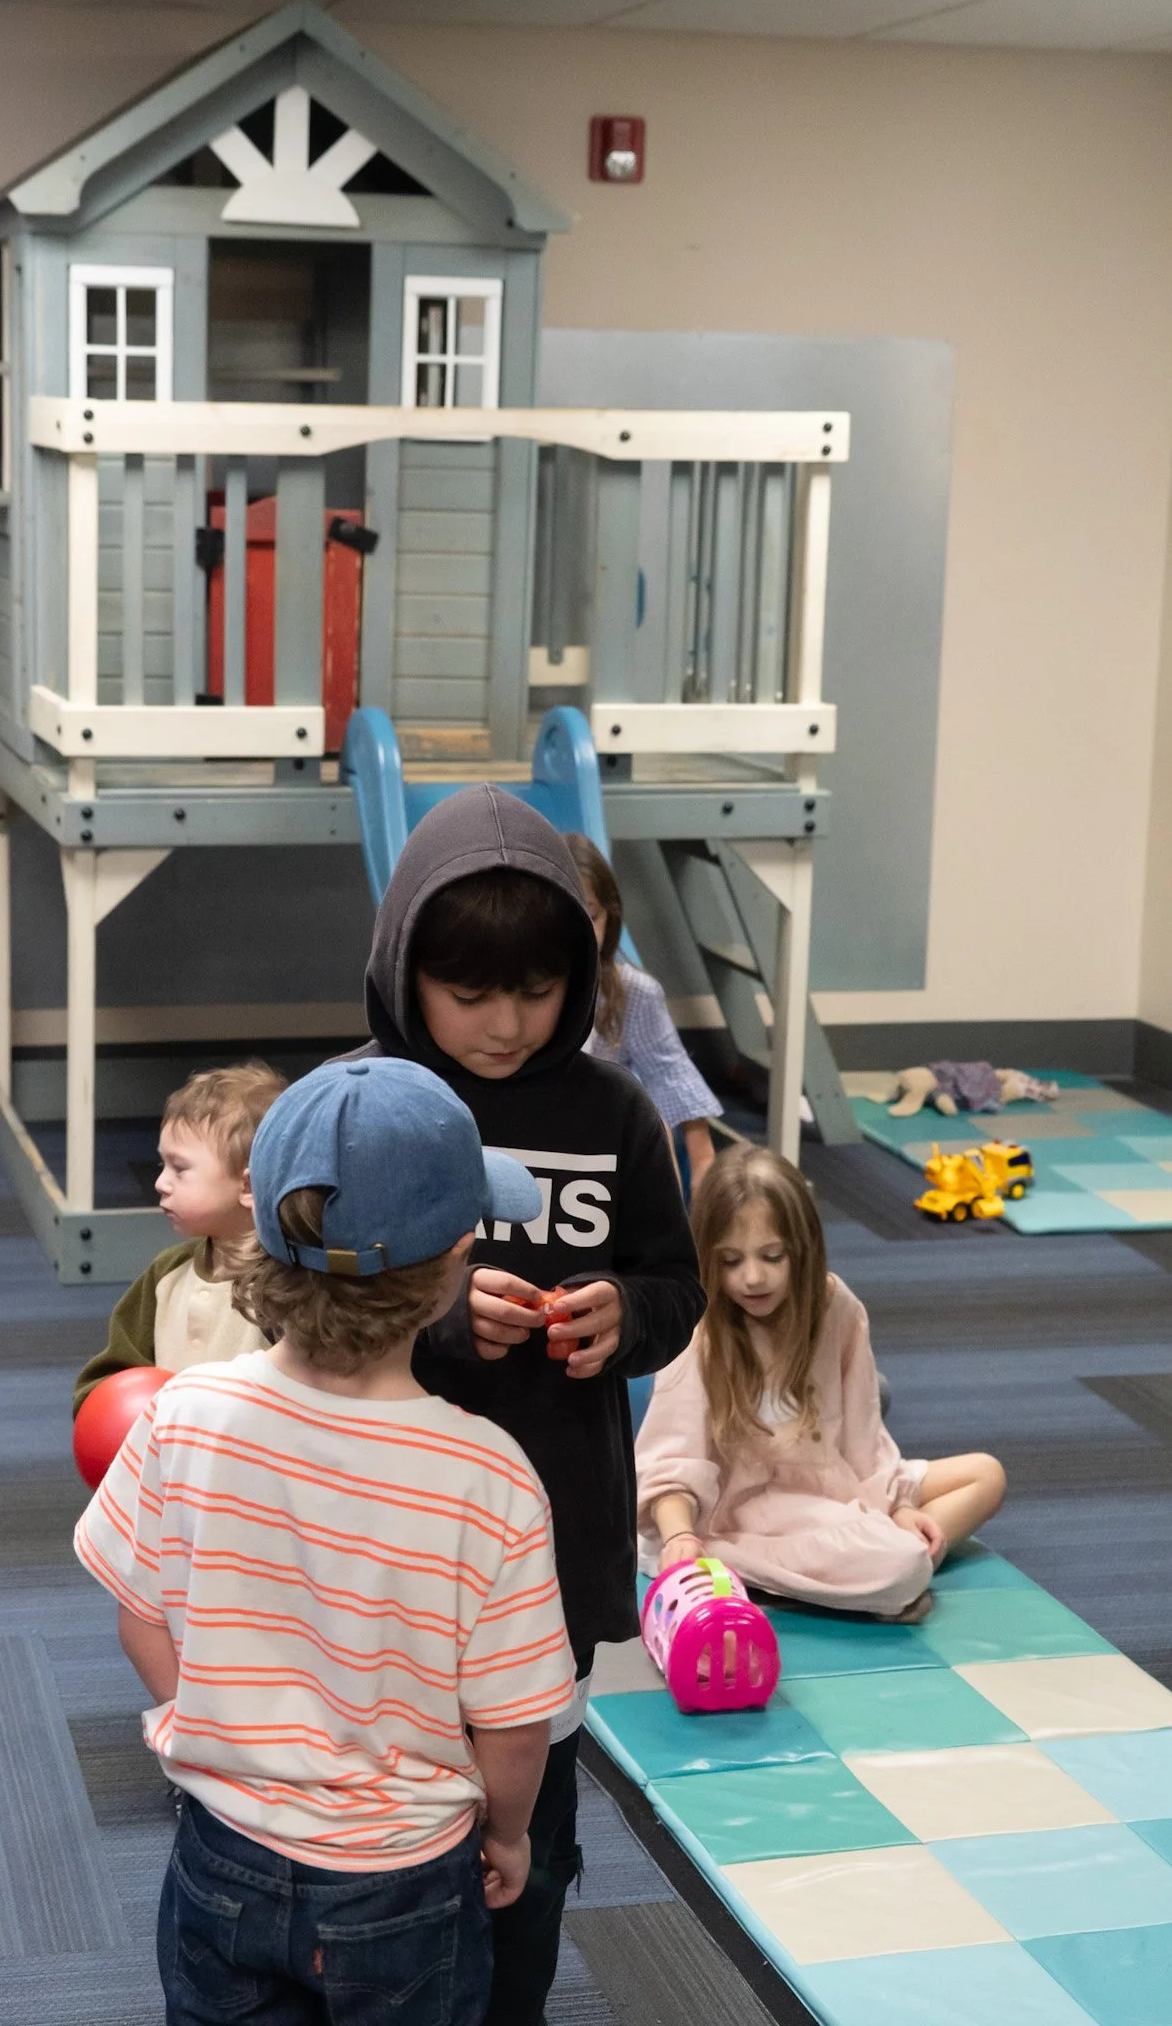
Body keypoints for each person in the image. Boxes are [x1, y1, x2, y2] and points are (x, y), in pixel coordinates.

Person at [74, 1055, 576, 2026]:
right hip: (405, 1879)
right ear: (453, 1260)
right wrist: (508, 1833)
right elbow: (514, 1722)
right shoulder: (491, 1473)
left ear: (258, 1223)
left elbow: (140, 1615)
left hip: (222, 1846)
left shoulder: (185, 1412)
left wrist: (217, 1719)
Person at [355, 785, 705, 2025]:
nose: (506, 1024)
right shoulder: (365, 1102)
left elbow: (678, 1279)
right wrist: (440, 1316)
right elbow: (301, 1296)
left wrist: (626, 1314)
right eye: (469, 991)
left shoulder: (613, 1110)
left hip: (553, 1521)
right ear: (409, 971)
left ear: (584, 975)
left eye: (539, 989)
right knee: (386, 1823)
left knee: (535, 1843)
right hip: (388, 1530)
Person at [635, 1142, 1006, 1622]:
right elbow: (672, 1459)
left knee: (986, 1475)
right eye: (731, 1261)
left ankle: (829, 1577)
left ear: (803, 1249)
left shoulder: (838, 1308)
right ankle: (860, 1576)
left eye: (772, 1256)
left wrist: (892, 1511)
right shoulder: (697, 1325)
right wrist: (681, 1538)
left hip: (828, 1491)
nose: (752, 1278)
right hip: (738, 1515)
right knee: (903, 1563)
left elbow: (865, 1440)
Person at [72, 1062, 283, 1414]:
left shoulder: (291, 1285)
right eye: (162, 1166)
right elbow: (110, 1375)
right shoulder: (166, 1274)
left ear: (247, 1186)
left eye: (179, 1169)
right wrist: (102, 1408)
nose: (160, 1182)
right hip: (167, 1459)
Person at [565, 833, 724, 1194]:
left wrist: (703, 1164)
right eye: (564, 914)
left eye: (589, 916)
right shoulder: (520, 990)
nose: (577, 931)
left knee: (653, 1125)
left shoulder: (633, 993)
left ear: (609, 916)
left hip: (602, 1146)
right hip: (541, 1132)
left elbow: (671, 1075)